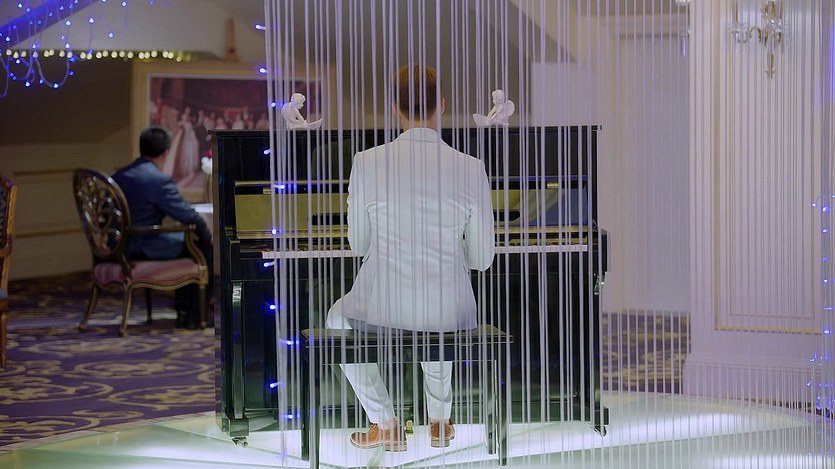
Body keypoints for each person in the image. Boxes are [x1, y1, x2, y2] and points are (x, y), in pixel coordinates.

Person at [325, 65, 495, 452]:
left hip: (383, 309)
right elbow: (483, 260)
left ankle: (385, 422)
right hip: (449, 311)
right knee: (439, 308)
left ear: (394, 109)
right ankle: (440, 420)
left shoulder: (366, 161)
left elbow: (359, 245)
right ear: (442, 105)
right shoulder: (471, 167)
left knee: (337, 319)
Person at [111, 126, 214, 329]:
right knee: (202, 248)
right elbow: (187, 215)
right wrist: (206, 235)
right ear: (166, 152)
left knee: (189, 243)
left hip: (117, 245)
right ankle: (193, 315)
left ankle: (185, 309)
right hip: (143, 245)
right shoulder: (157, 180)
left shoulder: (118, 176)